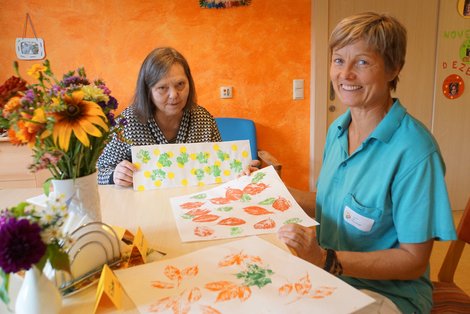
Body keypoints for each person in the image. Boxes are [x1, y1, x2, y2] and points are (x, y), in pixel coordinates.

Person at [246, 12, 457, 313]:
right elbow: (330, 203)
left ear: (393, 68)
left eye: (362, 62)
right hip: (331, 279)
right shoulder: (338, 130)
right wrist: (271, 185)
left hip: (389, 295)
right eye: (338, 60)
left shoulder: (416, 152)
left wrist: (327, 259)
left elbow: (413, 260)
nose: (345, 74)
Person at [97, 47, 222, 186]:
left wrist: (244, 170)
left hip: (193, 201)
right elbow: (101, 171)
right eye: (162, 88)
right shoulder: (127, 123)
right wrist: (115, 175)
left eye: (180, 84)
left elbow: (222, 163)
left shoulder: (203, 119)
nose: (174, 95)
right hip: (145, 205)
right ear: (148, 91)